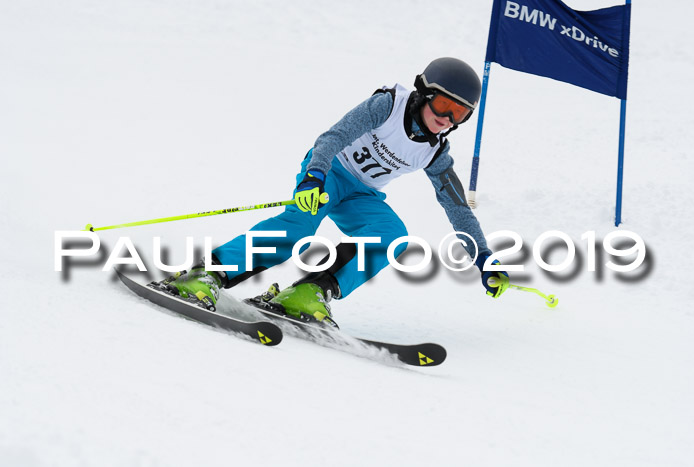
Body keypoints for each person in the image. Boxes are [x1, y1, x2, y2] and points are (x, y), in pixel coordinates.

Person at [155, 57, 509, 326]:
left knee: (393, 237)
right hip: (328, 173)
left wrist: (482, 257)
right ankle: (206, 274)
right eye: (444, 106)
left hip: (363, 194)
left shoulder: (435, 153)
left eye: (459, 114)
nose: (447, 119)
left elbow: (457, 207)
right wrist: (314, 177)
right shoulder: (387, 106)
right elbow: (333, 138)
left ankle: (311, 291)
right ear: (424, 94)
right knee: (298, 230)